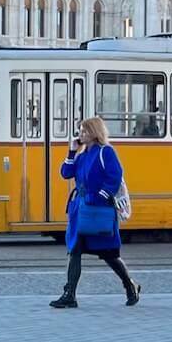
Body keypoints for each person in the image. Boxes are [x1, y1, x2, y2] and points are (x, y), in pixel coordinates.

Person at [50, 116, 141, 309]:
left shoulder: (105, 152)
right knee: (74, 250)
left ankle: (129, 285)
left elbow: (114, 176)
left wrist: (100, 196)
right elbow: (66, 173)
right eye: (80, 130)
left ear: (94, 132)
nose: (80, 134)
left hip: (99, 210)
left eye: (84, 130)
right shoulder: (82, 155)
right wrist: (71, 152)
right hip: (81, 210)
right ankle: (69, 294)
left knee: (109, 254)